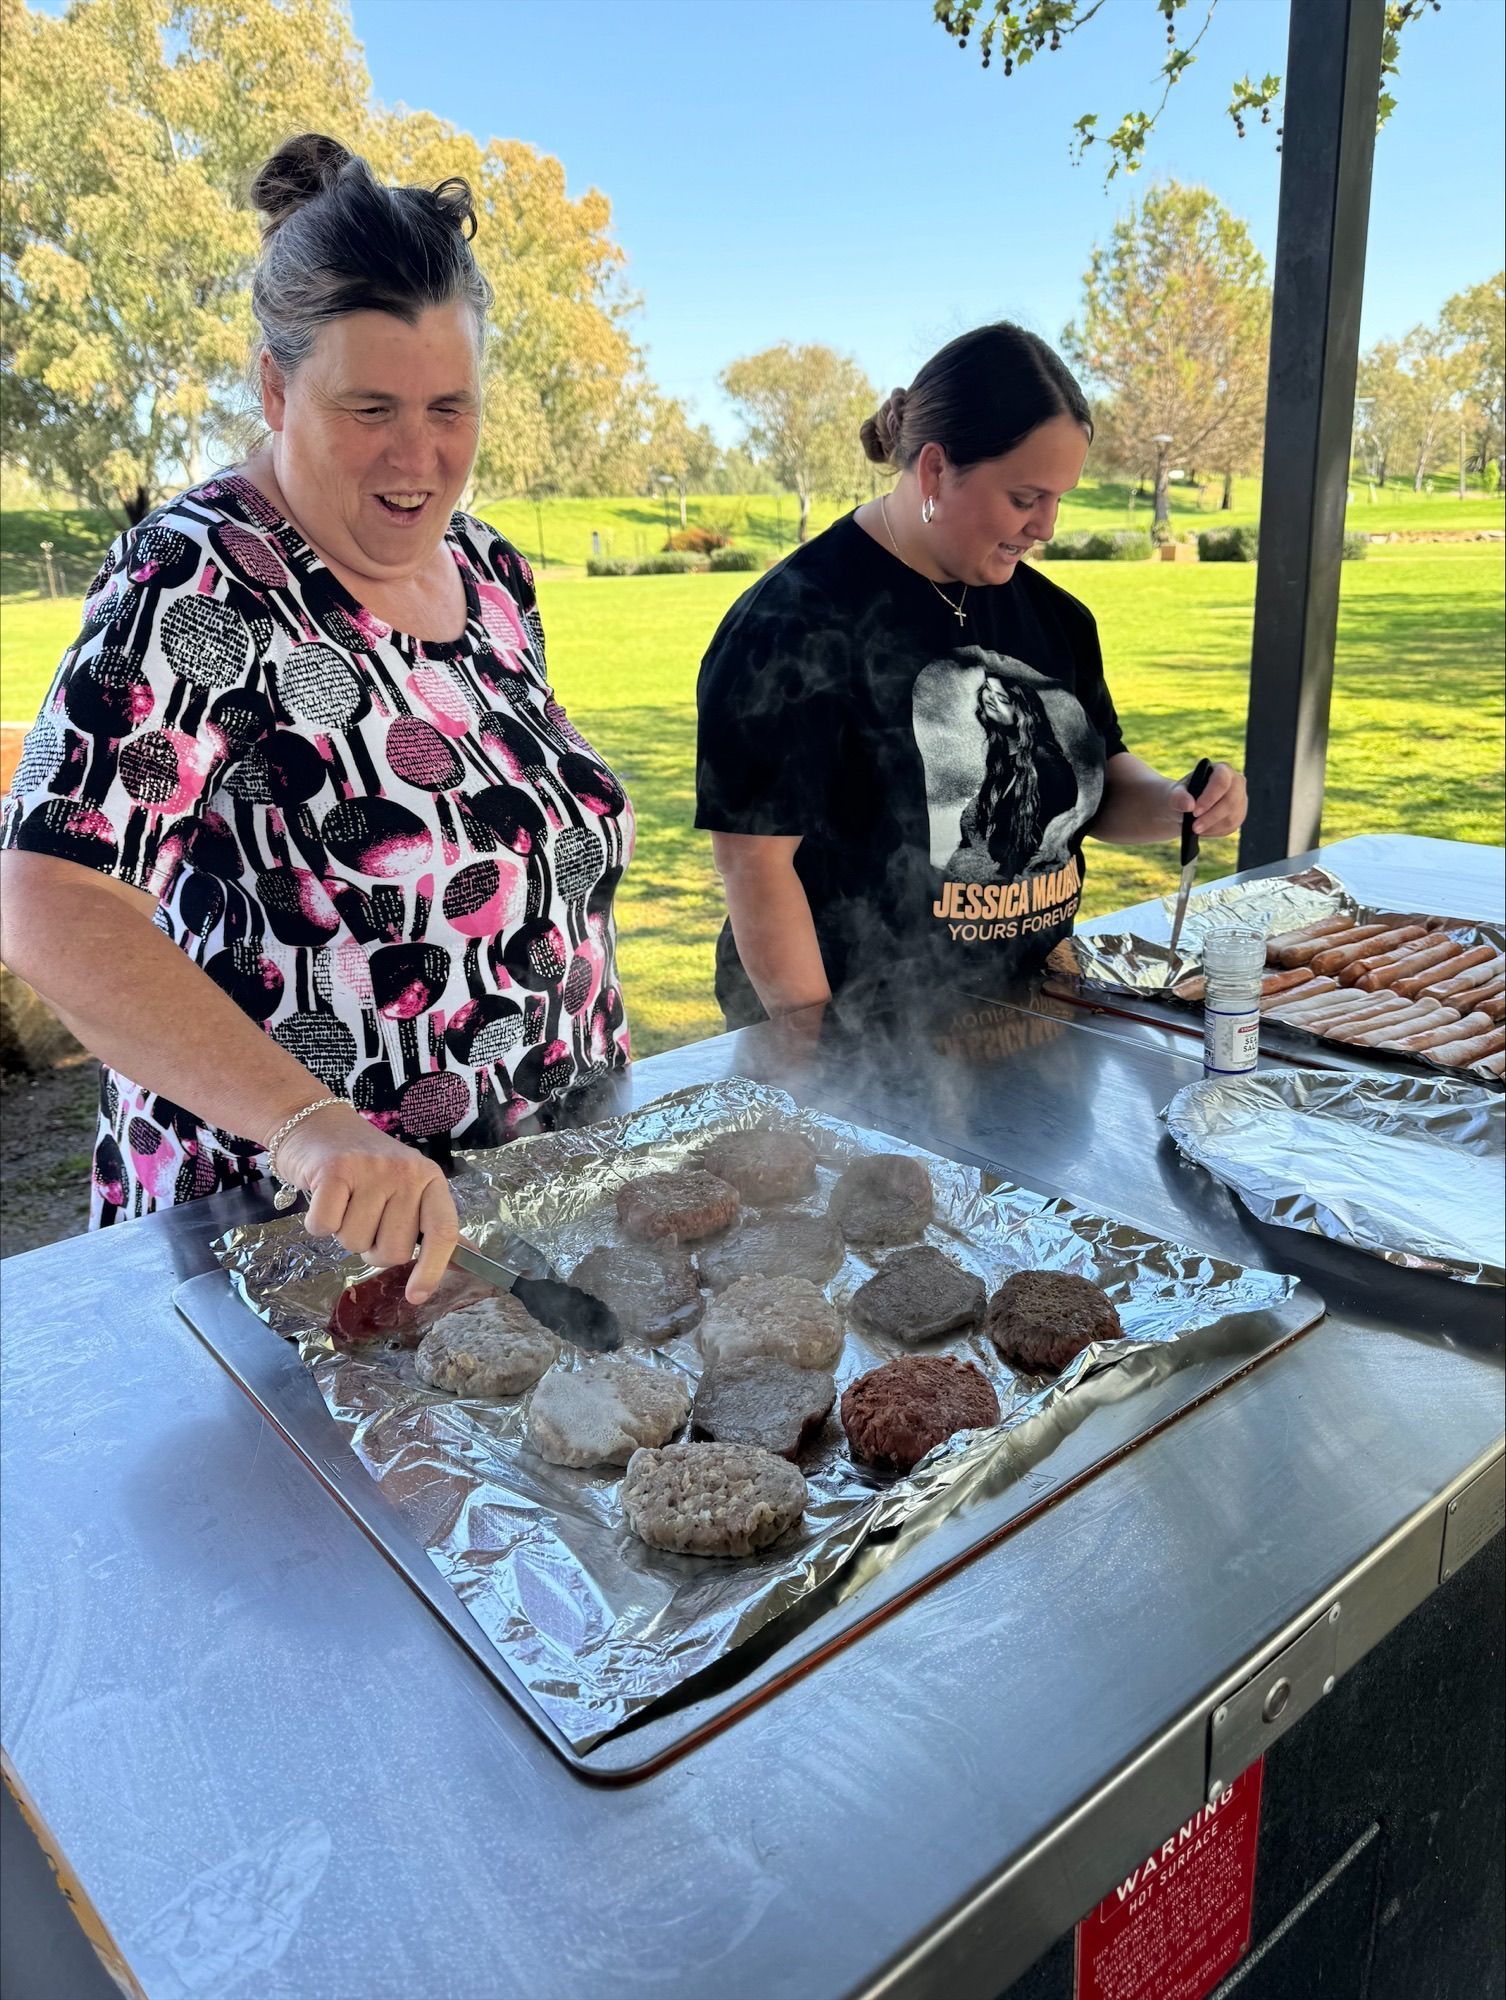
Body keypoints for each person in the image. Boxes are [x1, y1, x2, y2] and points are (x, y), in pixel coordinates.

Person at [0, 134, 633, 1303]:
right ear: (275, 388)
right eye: (371, 407)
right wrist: (310, 1125)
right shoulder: (195, 579)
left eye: (451, 405)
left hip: (533, 1206)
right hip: (287, 1241)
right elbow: (51, 900)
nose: (419, 455)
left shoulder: (492, 572)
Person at [695, 321, 1247, 1026]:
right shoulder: (791, 625)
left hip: (1031, 1016)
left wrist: (1177, 802)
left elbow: (1099, 780)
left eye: (1060, 498)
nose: (1046, 526)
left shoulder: (1058, 619)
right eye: (1024, 498)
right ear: (933, 471)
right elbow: (755, 868)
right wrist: (816, 1055)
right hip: (858, 1031)